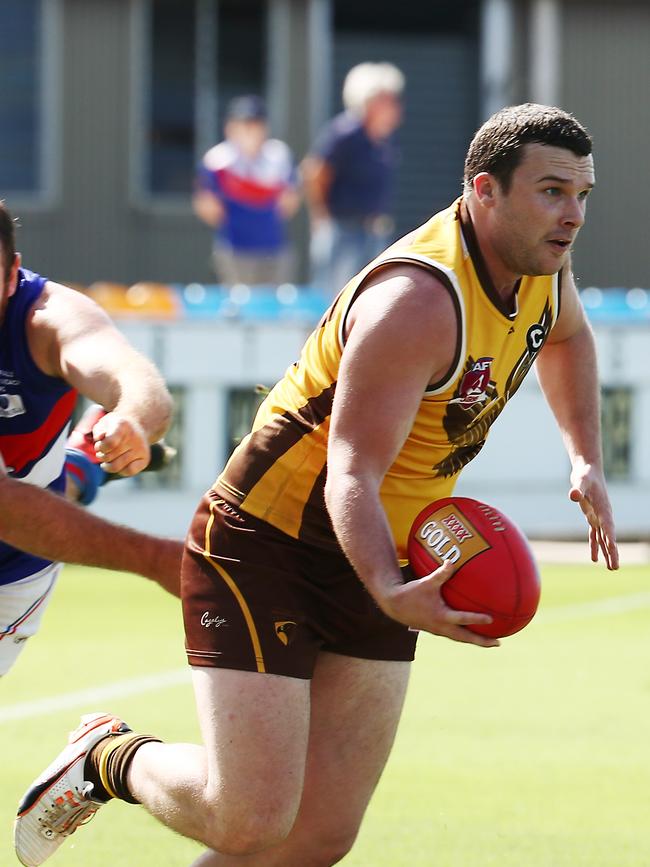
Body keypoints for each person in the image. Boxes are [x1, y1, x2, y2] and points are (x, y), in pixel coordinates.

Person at [15, 104, 618, 867]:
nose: (572, 215)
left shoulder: (541, 266)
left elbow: (567, 336)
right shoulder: (419, 300)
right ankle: (111, 757)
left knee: (319, 836)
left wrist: (584, 458)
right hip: (268, 544)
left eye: (584, 196)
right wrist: (387, 589)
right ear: (483, 191)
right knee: (249, 821)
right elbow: (351, 472)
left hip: (377, 548)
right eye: (552, 191)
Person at [0, 201, 183, 679]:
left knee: (29, 494)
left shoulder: (48, 317)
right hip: (12, 506)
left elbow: (134, 380)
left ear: (14, 273)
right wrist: (157, 558)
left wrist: (133, 421)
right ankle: (82, 464)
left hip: (10, 568)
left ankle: (97, 753)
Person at [302, 61, 404, 295]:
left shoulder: (384, 139)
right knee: (335, 299)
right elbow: (315, 173)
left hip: (373, 232)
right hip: (342, 232)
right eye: (388, 99)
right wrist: (322, 220)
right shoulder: (344, 133)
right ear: (369, 100)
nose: (396, 106)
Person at [192, 95, 301, 286]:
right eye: (244, 123)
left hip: (275, 248)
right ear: (230, 127)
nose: (250, 130)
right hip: (234, 250)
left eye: (255, 123)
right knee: (239, 308)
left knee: (274, 310)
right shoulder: (218, 160)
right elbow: (205, 204)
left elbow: (291, 200)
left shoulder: (279, 155)